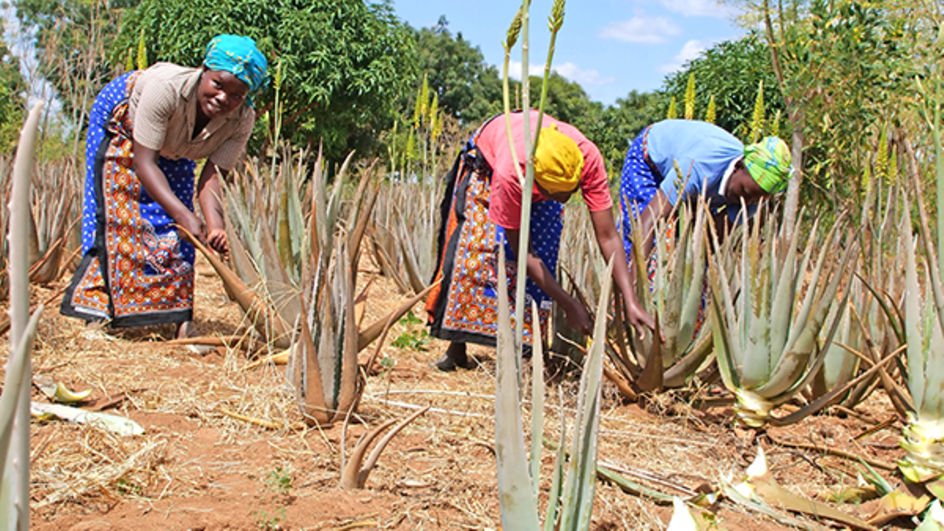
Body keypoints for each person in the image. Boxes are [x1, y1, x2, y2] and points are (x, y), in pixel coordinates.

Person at [61, 34, 268, 339]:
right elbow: (145, 164)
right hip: (123, 124)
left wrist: (215, 226)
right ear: (203, 71)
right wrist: (185, 215)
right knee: (116, 213)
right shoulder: (165, 90)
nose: (224, 98)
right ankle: (97, 315)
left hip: (177, 146)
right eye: (218, 84)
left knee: (178, 232)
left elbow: (212, 176)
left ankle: (181, 322)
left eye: (236, 94)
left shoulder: (241, 119)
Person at [425, 109, 654, 371]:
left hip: (536, 168)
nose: (566, 201)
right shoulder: (510, 173)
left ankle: (522, 356)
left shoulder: (587, 159)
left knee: (545, 254)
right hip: (491, 163)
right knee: (479, 254)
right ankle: (457, 348)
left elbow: (608, 236)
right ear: (536, 183)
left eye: (572, 191)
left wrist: (631, 299)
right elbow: (523, 251)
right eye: (555, 194)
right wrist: (569, 304)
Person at [618, 119, 793, 268]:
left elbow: (708, 242)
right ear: (739, 166)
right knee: (647, 248)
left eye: (756, 199)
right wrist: (635, 292)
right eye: (745, 192)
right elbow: (647, 222)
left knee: (694, 271)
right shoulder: (700, 165)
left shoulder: (753, 200)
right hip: (649, 160)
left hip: (697, 188)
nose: (747, 202)